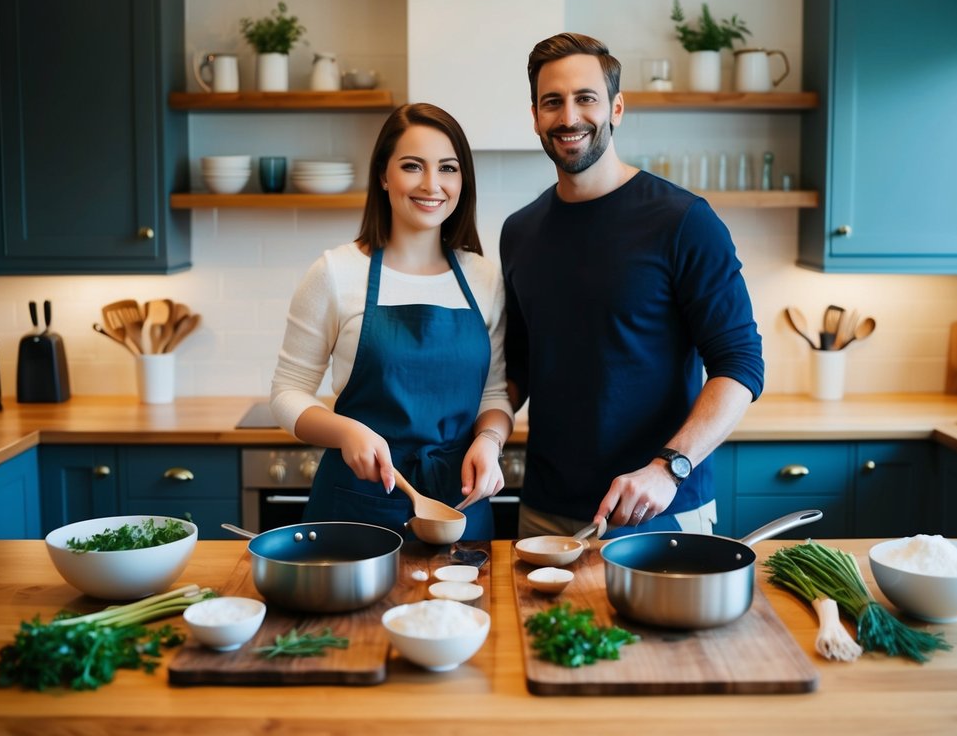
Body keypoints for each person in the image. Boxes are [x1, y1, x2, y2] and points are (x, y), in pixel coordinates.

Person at [500, 32, 764, 539]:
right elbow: (518, 369)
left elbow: (741, 364)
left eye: (586, 98)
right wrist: (468, 429)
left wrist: (670, 467)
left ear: (616, 108)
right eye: (552, 102)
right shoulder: (520, 231)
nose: (569, 116)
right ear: (534, 115)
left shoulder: (683, 221)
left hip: (659, 508)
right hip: (546, 512)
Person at [270, 103, 512, 541]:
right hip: (355, 506)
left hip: (460, 507)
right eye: (412, 166)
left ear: (463, 180)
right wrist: (345, 431)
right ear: (384, 175)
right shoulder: (335, 272)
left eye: (448, 168)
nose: (432, 184)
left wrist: (489, 441)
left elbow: (494, 391)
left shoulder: (485, 277)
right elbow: (286, 392)